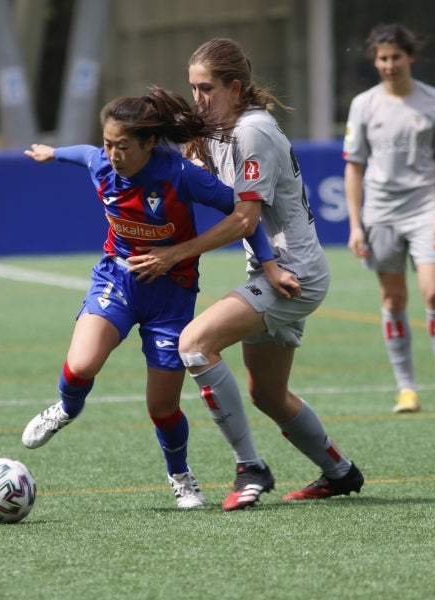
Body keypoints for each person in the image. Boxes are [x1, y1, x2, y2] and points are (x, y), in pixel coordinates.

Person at [128, 37, 363, 511]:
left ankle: (249, 467)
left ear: (235, 88)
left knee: (194, 345)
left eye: (207, 88)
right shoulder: (220, 130)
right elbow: (192, 178)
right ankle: (340, 472)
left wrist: (175, 255)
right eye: (192, 88)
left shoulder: (253, 130)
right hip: (276, 270)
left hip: (293, 274)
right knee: (268, 395)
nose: (198, 99)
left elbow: (244, 220)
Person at [20, 86, 277, 509]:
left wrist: (267, 262)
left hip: (171, 298)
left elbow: (244, 214)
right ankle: (65, 409)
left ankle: (180, 475)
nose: (113, 153)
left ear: (149, 143)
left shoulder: (179, 174)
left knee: (162, 408)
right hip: (116, 281)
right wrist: (53, 152)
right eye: (109, 143)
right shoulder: (101, 163)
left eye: (123, 146)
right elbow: (84, 153)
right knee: (82, 365)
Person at [343, 23, 435, 414]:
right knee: (394, 298)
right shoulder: (363, 105)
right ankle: (406, 388)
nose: (388, 65)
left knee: (433, 293)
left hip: (423, 211)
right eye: (382, 58)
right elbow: (354, 167)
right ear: (375, 61)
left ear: (410, 57)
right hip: (380, 214)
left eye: (396, 57)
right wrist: (355, 224)